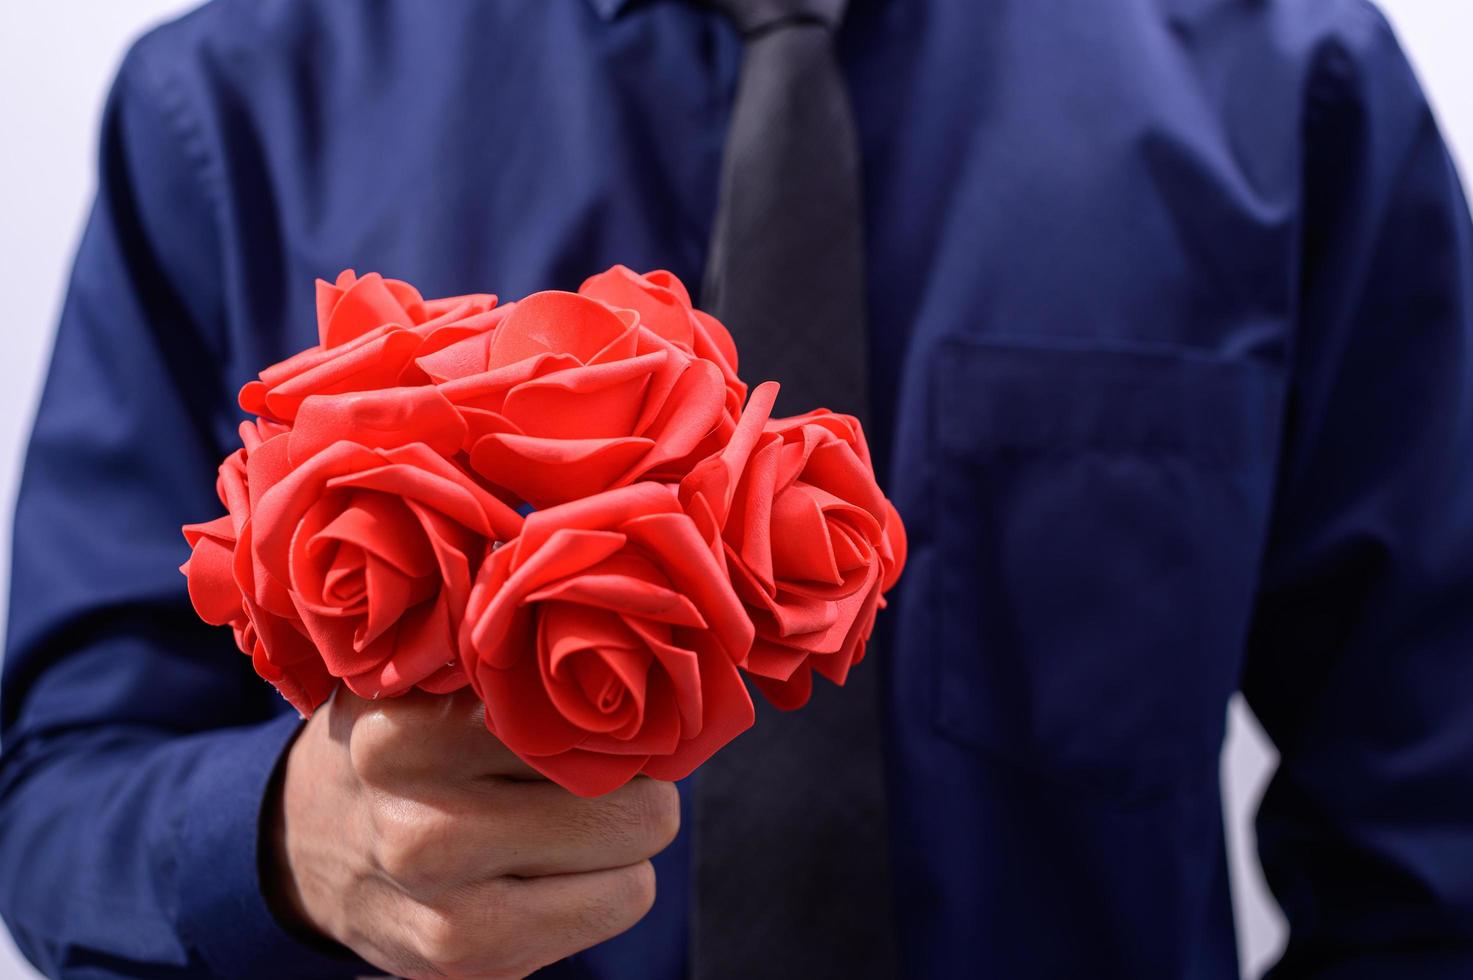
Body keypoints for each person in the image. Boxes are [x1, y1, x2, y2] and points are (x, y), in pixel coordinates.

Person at [4, 0, 1473, 977]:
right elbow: (51, 785)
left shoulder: (1292, 89)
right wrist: (282, 842)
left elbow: (1437, 812)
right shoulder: (234, 106)